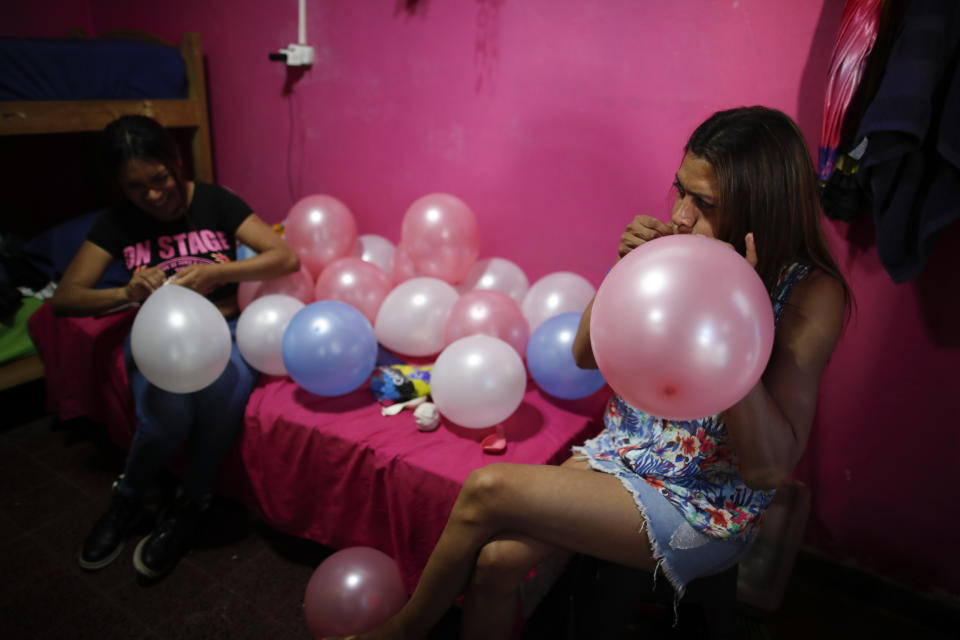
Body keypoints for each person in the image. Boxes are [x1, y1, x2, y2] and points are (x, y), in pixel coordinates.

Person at [333, 106, 851, 640]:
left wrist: (731, 307)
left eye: (705, 204)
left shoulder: (811, 292)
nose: (680, 216)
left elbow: (768, 469)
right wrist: (624, 271)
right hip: (624, 453)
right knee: (494, 563)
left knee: (487, 488)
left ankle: (399, 633)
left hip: (705, 502)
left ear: (757, 209)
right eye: (680, 191)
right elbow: (585, 354)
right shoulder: (678, 248)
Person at [50, 114, 300, 578]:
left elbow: (284, 255)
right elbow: (65, 300)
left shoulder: (214, 201)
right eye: (135, 186)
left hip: (225, 327)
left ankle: (192, 503)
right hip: (157, 336)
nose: (151, 195)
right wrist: (127, 292)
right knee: (167, 419)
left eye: (159, 178)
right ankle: (128, 498)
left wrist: (217, 272)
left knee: (221, 404)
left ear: (175, 161)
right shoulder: (117, 222)